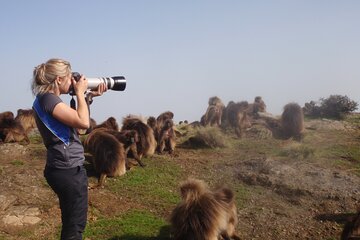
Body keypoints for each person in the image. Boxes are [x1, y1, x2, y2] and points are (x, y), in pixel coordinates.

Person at [31, 58, 107, 239]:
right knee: (75, 227)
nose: (72, 82)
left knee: (71, 222)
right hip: (68, 169)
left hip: (64, 168)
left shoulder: (46, 100)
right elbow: (83, 122)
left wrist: (87, 97)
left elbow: (80, 128)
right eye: (69, 78)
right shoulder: (49, 100)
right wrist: (80, 93)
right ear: (58, 80)